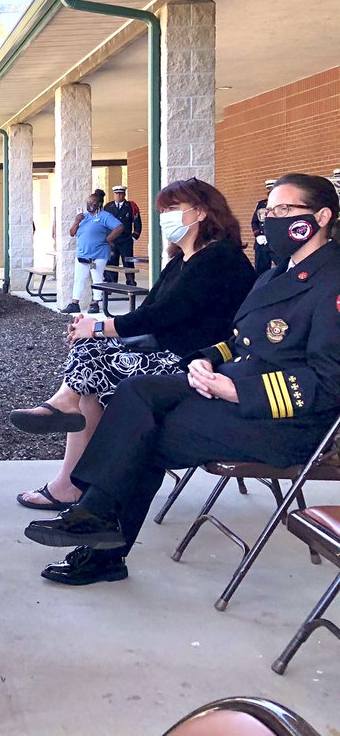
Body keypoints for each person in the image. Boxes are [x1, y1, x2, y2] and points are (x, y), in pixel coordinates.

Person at [23, 173, 340, 587]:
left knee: (144, 434)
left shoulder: (331, 282)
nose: (272, 219)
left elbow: (329, 382)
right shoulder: (278, 273)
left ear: (321, 216)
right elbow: (238, 338)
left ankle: (100, 541)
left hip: (283, 420)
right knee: (137, 393)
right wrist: (207, 358)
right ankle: (94, 517)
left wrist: (237, 389)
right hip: (231, 386)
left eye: (285, 210)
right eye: (270, 209)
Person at [9, 178, 256, 510]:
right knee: (90, 377)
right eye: (162, 210)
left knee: (90, 358)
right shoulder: (180, 261)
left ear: (200, 212)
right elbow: (148, 311)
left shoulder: (219, 257)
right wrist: (93, 327)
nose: (164, 216)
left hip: (197, 363)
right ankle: (70, 479)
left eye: (172, 209)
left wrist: (100, 328)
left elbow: (164, 315)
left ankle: (66, 433)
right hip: (165, 351)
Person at [60, 193, 124, 314]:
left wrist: (108, 239)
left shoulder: (105, 216)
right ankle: (74, 303)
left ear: (99, 204)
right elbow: (72, 233)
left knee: (97, 278)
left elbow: (119, 227)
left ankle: (95, 302)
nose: (91, 205)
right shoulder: (83, 217)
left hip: (98, 254)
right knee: (79, 278)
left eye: (93, 203)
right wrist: (76, 221)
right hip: (82, 254)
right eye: (89, 203)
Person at [103, 185, 142, 285]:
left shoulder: (131, 206)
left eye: (121, 193)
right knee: (111, 262)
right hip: (112, 239)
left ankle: (130, 282)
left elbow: (137, 222)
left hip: (126, 239)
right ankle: (111, 282)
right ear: (114, 194)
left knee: (128, 261)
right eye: (117, 194)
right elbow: (104, 223)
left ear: (124, 194)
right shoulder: (108, 206)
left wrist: (135, 236)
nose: (119, 196)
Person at [251, 178, 276, 273]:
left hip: (274, 242)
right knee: (261, 271)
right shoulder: (261, 204)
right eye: (269, 191)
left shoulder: (282, 205)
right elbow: (254, 222)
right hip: (262, 244)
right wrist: (258, 235)